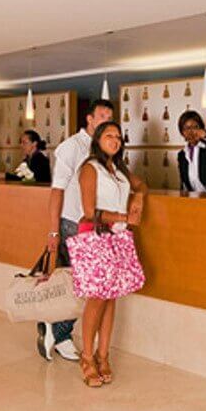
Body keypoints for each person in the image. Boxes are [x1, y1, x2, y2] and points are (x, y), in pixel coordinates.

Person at [39, 97, 115, 362]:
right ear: (90, 119)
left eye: (110, 117)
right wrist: (53, 231)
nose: (107, 121)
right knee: (80, 285)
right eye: (102, 116)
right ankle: (59, 333)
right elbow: (56, 191)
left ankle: (57, 330)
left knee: (83, 286)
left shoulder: (104, 149)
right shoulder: (71, 147)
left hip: (95, 227)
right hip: (72, 224)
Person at [73, 121, 147, 387]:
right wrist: (124, 216)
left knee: (111, 297)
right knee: (97, 298)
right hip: (96, 236)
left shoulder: (119, 170)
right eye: (109, 136)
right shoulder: (90, 168)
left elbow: (142, 185)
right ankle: (87, 357)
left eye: (118, 137)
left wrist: (138, 197)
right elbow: (90, 211)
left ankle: (104, 356)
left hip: (118, 237)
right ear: (98, 139)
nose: (115, 140)